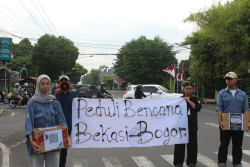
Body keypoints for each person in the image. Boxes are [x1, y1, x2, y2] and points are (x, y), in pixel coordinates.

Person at [25, 74, 69, 167]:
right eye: (42, 84)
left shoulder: (55, 102)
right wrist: (31, 139)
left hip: (54, 142)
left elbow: (62, 121)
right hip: (37, 142)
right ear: (38, 86)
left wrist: (66, 137)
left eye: (48, 84)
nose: (45, 87)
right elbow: (28, 123)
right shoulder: (32, 103)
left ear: (50, 85)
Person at [216, 72, 250, 167]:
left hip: (238, 123)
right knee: (224, 144)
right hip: (225, 123)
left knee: (237, 145)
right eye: (227, 79)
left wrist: (247, 122)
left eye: (230, 79)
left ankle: (237, 162)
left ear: (236, 80)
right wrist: (220, 121)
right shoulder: (222, 93)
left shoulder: (242, 94)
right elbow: (219, 108)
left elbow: (246, 109)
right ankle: (222, 162)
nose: (228, 80)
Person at [173, 81, 202, 167]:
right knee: (179, 145)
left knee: (192, 145)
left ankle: (191, 161)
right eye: (186, 89)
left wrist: (188, 100)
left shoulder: (195, 99)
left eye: (190, 89)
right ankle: (178, 162)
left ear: (192, 90)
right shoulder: (179, 99)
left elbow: (197, 108)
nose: (188, 90)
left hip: (192, 125)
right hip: (181, 125)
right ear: (183, 89)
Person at [54, 75, 76, 167]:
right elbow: (49, 103)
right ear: (59, 84)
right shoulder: (55, 94)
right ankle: (54, 163)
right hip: (56, 124)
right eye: (62, 82)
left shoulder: (73, 95)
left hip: (68, 125)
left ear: (69, 83)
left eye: (65, 81)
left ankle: (62, 164)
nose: (64, 83)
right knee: (55, 146)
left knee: (64, 147)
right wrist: (55, 93)